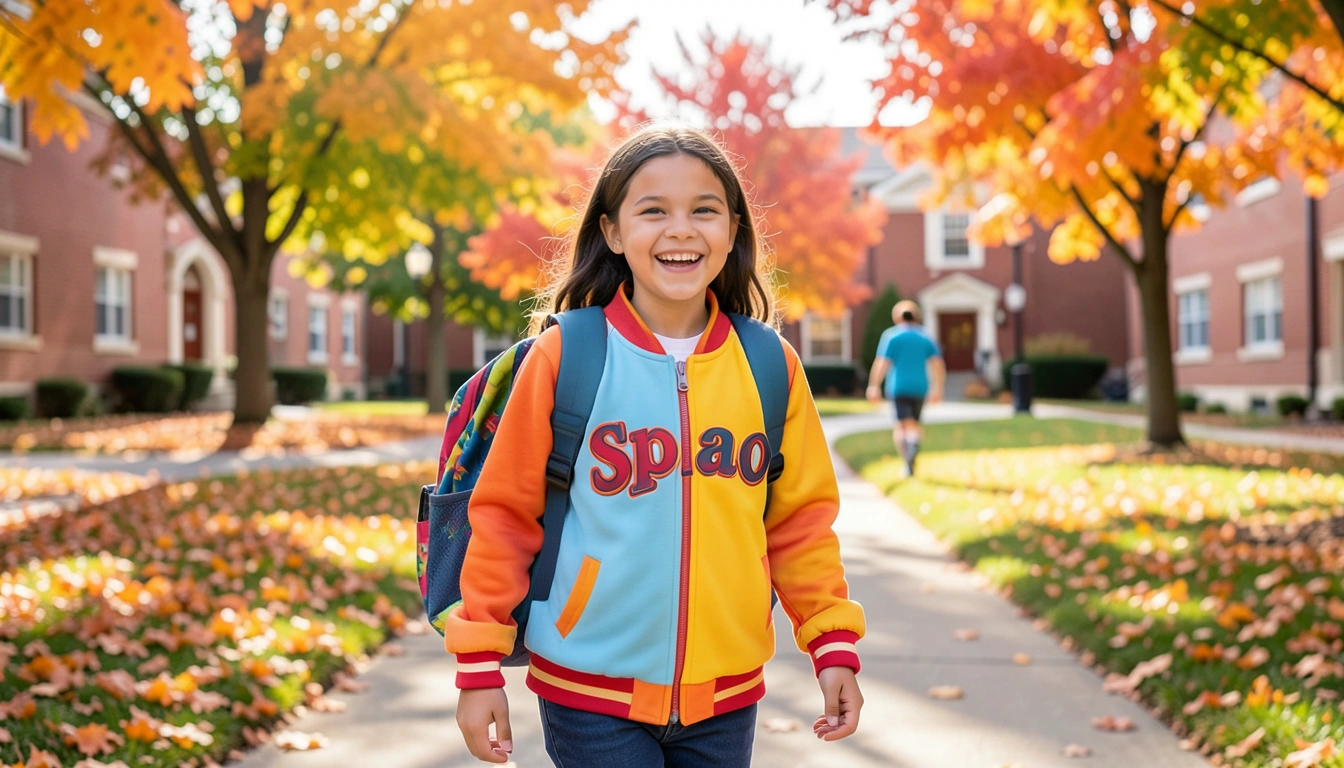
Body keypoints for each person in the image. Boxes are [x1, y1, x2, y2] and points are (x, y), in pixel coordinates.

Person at [446, 124, 866, 768]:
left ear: (733, 230)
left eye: (704, 210)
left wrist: (831, 644)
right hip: (587, 690)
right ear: (613, 232)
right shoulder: (568, 354)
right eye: (653, 211)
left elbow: (800, 526)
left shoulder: (769, 366)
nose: (681, 230)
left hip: (726, 697)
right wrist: (478, 668)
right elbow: (504, 517)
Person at [865, 300, 945, 477]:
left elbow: (881, 363)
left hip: (899, 387)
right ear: (917, 317)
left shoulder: (892, 336)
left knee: (901, 426)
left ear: (897, 317)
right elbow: (938, 364)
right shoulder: (925, 336)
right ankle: (913, 449)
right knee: (914, 424)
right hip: (920, 387)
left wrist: (873, 386)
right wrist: (938, 388)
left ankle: (908, 461)